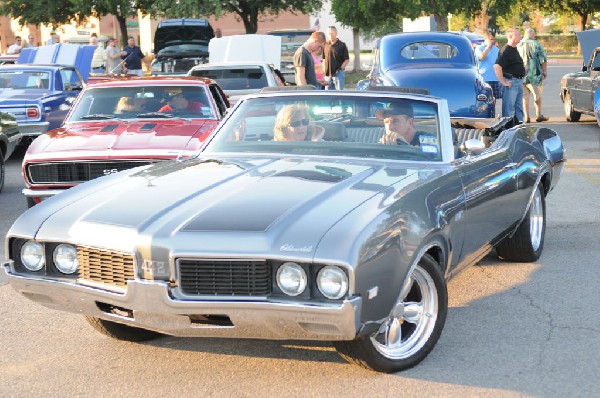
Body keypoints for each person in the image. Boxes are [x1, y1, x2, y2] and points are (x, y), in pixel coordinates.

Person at [494, 27, 526, 123]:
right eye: (518, 34)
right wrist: (503, 82)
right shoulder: (506, 50)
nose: (521, 36)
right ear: (511, 36)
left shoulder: (514, 49)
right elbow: (497, 66)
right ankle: (508, 131)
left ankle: (519, 128)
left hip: (518, 82)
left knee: (519, 108)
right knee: (509, 111)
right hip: (511, 82)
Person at [518, 28, 549, 123]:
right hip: (535, 75)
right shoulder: (536, 44)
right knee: (537, 95)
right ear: (532, 35)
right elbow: (543, 58)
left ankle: (526, 116)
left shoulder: (519, 44)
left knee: (525, 97)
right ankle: (539, 114)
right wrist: (544, 71)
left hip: (522, 74)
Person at [475, 30, 501, 102]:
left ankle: (493, 113)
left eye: (494, 39)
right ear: (485, 39)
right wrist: (488, 47)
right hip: (484, 78)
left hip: (494, 78)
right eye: (491, 39)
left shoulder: (496, 49)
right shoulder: (479, 48)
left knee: (494, 99)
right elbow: (481, 57)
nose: (492, 41)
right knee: (484, 99)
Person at [323, 26, 350, 90]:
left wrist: (340, 69)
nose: (330, 35)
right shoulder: (325, 45)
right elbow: (324, 59)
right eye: (329, 34)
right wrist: (324, 70)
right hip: (327, 75)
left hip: (338, 74)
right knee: (328, 94)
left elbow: (347, 60)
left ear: (336, 33)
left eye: (332, 33)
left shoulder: (342, 45)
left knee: (340, 93)